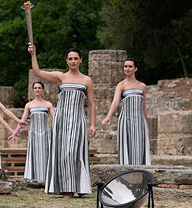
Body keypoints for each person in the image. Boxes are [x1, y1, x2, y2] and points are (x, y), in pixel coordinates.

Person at [28, 43, 95, 197]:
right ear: (66, 61)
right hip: (61, 120)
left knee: (74, 152)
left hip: (77, 120)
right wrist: (33, 54)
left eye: (75, 58)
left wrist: (92, 124)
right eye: (70, 58)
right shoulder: (61, 77)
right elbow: (37, 73)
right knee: (62, 153)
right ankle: (66, 189)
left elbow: (91, 103)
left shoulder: (86, 80)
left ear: (80, 61)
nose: (73, 61)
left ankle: (78, 186)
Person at [101, 58, 151, 165]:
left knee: (139, 148)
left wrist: (146, 126)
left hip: (139, 121)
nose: (127, 69)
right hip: (125, 120)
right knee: (126, 147)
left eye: (130, 66)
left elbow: (143, 107)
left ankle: (140, 176)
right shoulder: (121, 85)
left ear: (135, 69)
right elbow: (115, 102)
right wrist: (108, 116)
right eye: (125, 66)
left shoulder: (142, 86)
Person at [8, 81, 55, 181]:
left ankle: (47, 180)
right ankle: (34, 179)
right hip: (34, 134)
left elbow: (56, 120)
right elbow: (22, 121)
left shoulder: (48, 104)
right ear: (33, 90)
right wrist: (14, 133)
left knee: (46, 155)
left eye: (39, 88)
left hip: (46, 134)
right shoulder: (29, 105)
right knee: (35, 156)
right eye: (35, 88)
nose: (37, 89)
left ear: (42, 89)